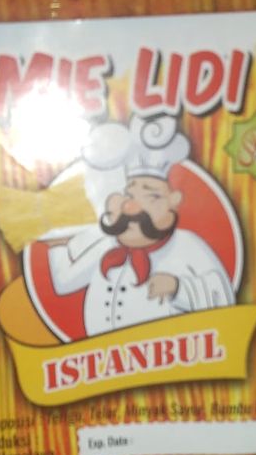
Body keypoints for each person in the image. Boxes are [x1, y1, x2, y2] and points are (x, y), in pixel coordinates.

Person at [46, 115, 235, 337]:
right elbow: (64, 283)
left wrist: (178, 288)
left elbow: (223, 301)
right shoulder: (108, 246)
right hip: (101, 354)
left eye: (150, 196)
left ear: (172, 202)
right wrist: (56, 241)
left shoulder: (186, 245)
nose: (133, 207)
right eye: (129, 194)